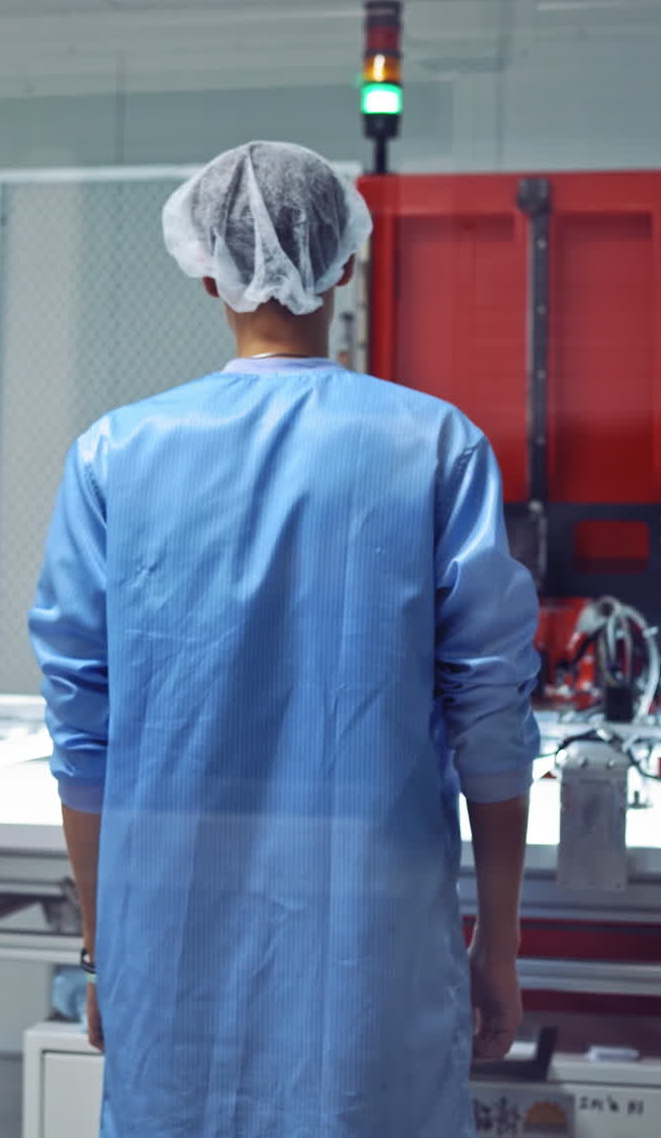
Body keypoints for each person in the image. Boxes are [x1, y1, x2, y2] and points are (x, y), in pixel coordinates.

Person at [30, 140, 540, 1137]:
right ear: (345, 263)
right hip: (372, 933)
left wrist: (105, 946)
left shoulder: (115, 452)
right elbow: (491, 716)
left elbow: (80, 725)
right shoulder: (433, 442)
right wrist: (500, 944)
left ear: (206, 271)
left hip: (170, 931)